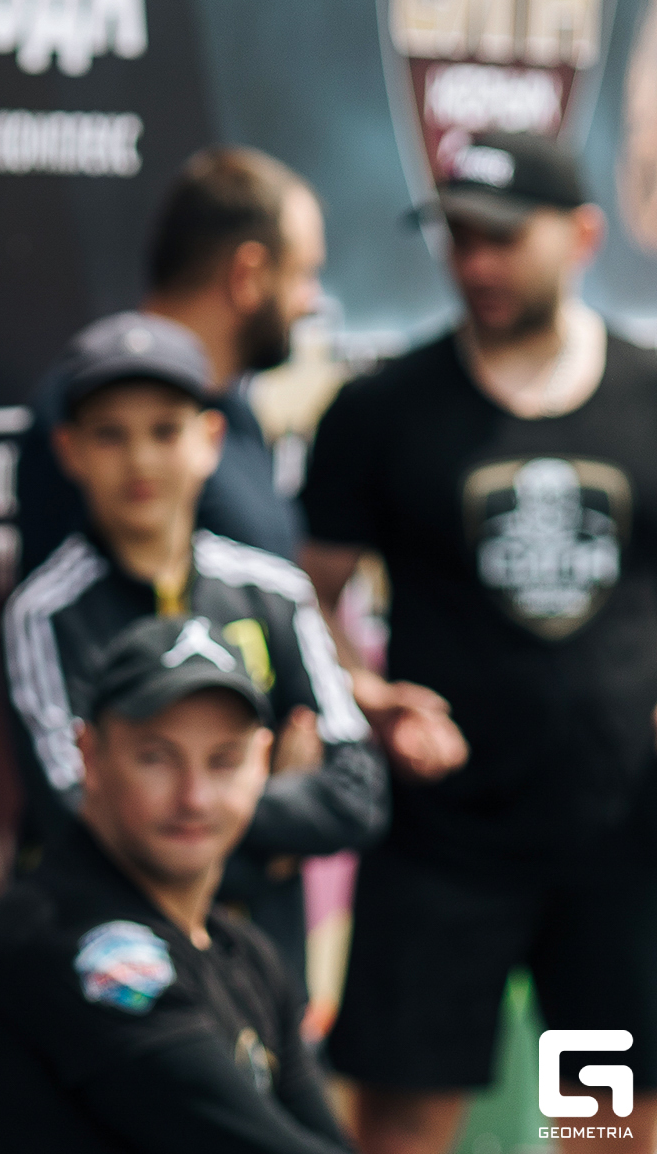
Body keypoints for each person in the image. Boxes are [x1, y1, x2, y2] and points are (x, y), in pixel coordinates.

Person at [302, 131, 657, 1154]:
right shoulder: (380, 409)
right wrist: (368, 696)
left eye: (504, 239)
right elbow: (309, 601)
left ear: (582, 237)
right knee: (404, 1126)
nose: (478, 263)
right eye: (460, 237)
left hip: (617, 841)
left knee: (605, 1124)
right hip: (441, 846)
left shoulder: (647, 396)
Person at [2, 313, 385, 984]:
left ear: (210, 440)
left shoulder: (274, 591)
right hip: (117, 969)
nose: (141, 460)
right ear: (69, 450)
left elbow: (358, 798)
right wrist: (269, 807)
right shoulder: (46, 612)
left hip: (267, 968)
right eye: (110, 434)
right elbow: (80, 823)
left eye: (164, 431)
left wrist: (170, 810)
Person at [0, 615, 353, 1154]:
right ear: (90, 755)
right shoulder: (69, 944)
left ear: (262, 762)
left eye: (223, 761)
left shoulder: (249, 957)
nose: (194, 797)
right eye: (157, 757)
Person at [17, 146, 326, 578]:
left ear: (209, 436)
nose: (313, 301)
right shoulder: (81, 405)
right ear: (248, 275)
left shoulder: (236, 412)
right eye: (303, 274)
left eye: (166, 432)